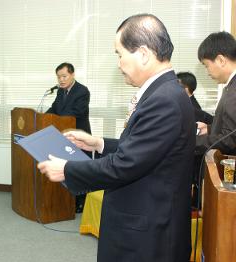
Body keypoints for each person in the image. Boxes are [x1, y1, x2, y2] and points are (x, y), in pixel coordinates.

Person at [38, 14, 195, 261]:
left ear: (143, 54)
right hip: (145, 221)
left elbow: (126, 164)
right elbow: (141, 148)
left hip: (147, 234)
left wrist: (67, 170)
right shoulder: (165, 92)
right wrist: (98, 142)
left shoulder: (163, 99)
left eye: (119, 54)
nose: (119, 63)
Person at [46, 62, 91, 213]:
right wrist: (41, 117)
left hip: (80, 138)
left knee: (79, 171)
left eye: (64, 76)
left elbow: (75, 112)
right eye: (59, 77)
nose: (61, 80)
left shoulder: (82, 91)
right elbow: (54, 108)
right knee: (66, 169)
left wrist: (56, 119)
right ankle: (67, 200)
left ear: (72, 75)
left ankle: (80, 201)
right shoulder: (60, 92)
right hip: (63, 136)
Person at [195, 31, 236, 155]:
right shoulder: (231, 85)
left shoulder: (234, 90)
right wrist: (208, 128)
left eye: (206, 65)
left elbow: (229, 140)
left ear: (220, 60)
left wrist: (191, 142)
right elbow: (231, 130)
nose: (207, 72)